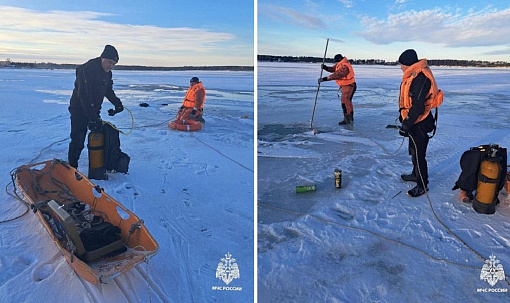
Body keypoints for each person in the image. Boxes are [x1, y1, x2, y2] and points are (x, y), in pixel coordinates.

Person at [67, 45, 124, 169]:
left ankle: (98, 165)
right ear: (103, 57)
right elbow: (84, 94)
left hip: (93, 110)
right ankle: (72, 168)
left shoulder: (108, 74)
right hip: (79, 109)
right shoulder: (88, 69)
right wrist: (92, 116)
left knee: (98, 137)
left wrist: (117, 103)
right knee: (78, 139)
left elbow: (108, 91)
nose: (111, 66)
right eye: (110, 62)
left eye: (113, 64)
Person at [397, 49, 440, 197]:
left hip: (421, 121)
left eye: (402, 64)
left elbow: (418, 106)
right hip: (414, 120)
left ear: (408, 64)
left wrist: (406, 124)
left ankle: (422, 184)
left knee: (419, 154)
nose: (401, 67)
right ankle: (415, 174)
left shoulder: (421, 77)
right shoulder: (413, 75)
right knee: (414, 151)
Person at [318, 54, 357, 125]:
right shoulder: (341, 63)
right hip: (347, 86)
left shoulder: (344, 66)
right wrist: (326, 68)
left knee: (345, 103)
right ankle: (350, 117)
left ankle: (347, 119)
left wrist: (324, 79)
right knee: (347, 102)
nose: (335, 63)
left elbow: (337, 75)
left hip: (349, 86)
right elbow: (333, 69)